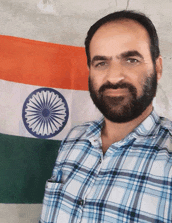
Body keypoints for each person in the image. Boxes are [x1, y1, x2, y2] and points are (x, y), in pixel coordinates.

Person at [39, 10, 172, 223]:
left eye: (131, 60)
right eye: (101, 63)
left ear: (157, 68)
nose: (114, 77)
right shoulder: (74, 139)